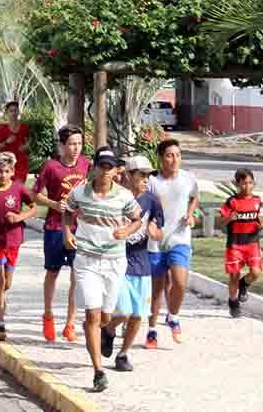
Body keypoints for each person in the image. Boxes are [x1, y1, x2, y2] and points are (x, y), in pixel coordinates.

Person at [63, 147, 142, 392]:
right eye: (102, 166)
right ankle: (98, 371)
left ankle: (108, 332)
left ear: (116, 170)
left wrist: (126, 231)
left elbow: (137, 219)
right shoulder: (80, 192)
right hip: (86, 260)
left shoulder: (124, 196)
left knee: (106, 317)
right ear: (94, 167)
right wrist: (67, 232)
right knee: (91, 316)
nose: (106, 171)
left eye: (110, 167)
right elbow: (67, 210)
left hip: (113, 261)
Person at [103, 155, 163, 372]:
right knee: (124, 311)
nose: (146, 179)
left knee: (139, 315)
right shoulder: (116, 198)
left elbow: (158, 229)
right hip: (118, 263)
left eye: (149, 175)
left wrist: (155, 232)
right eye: (142, 174)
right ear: (128, 175)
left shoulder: (152, 201)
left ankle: (123, 354)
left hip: (142, 264)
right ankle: (109, 330)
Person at [32, 125, 91, 342]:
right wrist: (54, 204)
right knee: (53, 273)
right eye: (72, 144)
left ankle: (70, 323)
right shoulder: (51, 167)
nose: (76, 148)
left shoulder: (86, 164)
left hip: (80, 227)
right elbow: (35, 194)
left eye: (79, 143)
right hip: (55, 227)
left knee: (77, 275)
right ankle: (48, 315)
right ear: (62, 145)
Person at [146, 138, 199, 347]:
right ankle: (151, 329)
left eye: (178, 155)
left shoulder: (188, 178)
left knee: (180, 282)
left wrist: (190, 213)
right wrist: (150, 225)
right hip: (156, 241)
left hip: (180, 238)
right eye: (169, 155)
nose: (174, 159)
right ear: (160, 158)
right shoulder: (152, 182)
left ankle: (173, 316)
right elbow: (142, 205)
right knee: (157, 289)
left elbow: (195, 196)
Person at [0, 152, 35, 342]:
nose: (3, 175)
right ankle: (0, 323)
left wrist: (19, 218)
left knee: (7, 283)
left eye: (6, 171)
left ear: (12, 172)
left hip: (13, 239)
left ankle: (2, 301)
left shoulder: (19, 188)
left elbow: (34, 207)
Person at [219, 168, 263, 318]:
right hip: (235, 244)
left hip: (252, 243)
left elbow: (257, 219)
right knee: (233, 276)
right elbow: (220, 222)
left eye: (250, 183)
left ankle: (244, 284)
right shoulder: (231, 202)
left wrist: (261, 224)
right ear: (238, 184)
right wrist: (228, 219)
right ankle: (233, 302)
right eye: (244, 184)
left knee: (256, 272)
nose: (247, 186)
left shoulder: (257, 200)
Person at [0, 101, 31, 183]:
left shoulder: (25, 127)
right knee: (7, 187)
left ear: (18, 112)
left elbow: (29, 143)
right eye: (11, 111)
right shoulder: (2, 129)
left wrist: (26, 147)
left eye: (15, 110)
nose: (14, 113)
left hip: (21, 163)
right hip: (7, 163)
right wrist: (7, 142)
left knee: (19, 186)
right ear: (7, 113)